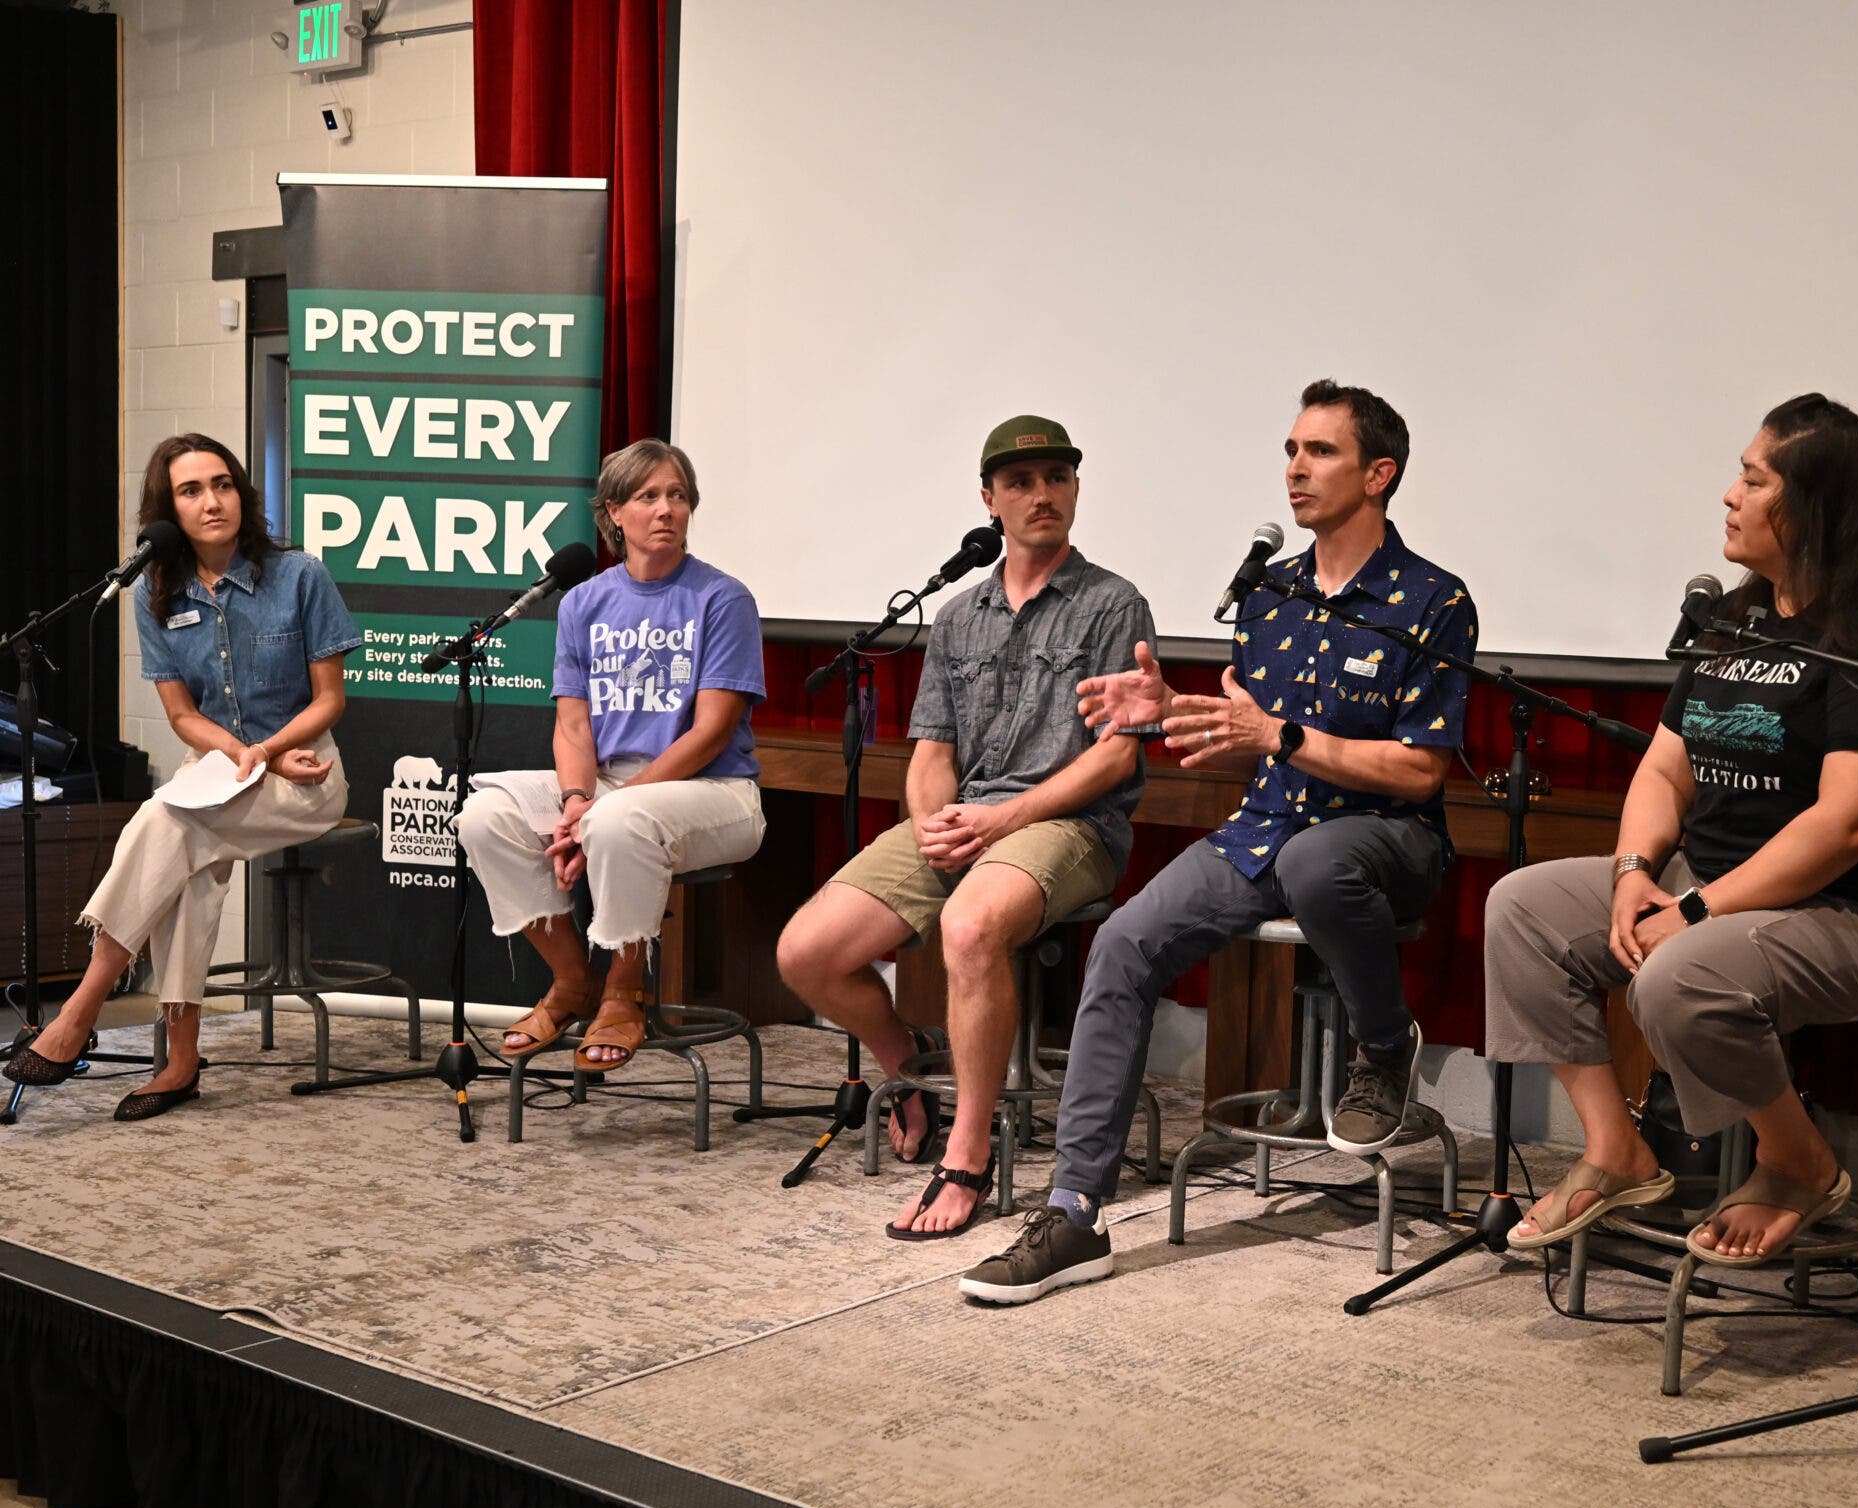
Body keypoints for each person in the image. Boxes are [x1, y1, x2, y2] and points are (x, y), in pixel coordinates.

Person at [959, 379, 1477, 1304]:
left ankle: (1384, 1045)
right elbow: (1246, 749)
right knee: (1121, 944)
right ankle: (1075, 1211)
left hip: (1385, 842)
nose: (1295, 470)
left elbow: (1419, 774)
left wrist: (1279, 737)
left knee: (1321, 862)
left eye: (1319, 452)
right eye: (1290, 450)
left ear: (1379, 474)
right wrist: (1170, 716)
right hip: (1266, 829)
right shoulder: (1271, 597)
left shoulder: (1432, 600)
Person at [1482, 394, 1858, 1266]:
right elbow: (1663, 767)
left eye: (1754, 478)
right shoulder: (1732, 616)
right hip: (1705, 885)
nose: (1730, 494)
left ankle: (1796, 1158)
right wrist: (1633, 872)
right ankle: (1619, 1149)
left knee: (1679, 976)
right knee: (1521, 909)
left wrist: (1694, 911)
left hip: (1846, 916)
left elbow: (1849, 822)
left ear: (1814, 505)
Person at [775, 416, 1154, 1241]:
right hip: (967, 818)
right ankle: (906, 1066)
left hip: (1068, 825)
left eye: (1056, 477)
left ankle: (970, 1151)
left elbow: (1115, 760)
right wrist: (933, 823)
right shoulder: (957, 616)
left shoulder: (1111, 603)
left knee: (971, 924)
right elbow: (930, 752)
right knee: (805, 952)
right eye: (1020, 482)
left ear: (1077, 491)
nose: (1041, 494)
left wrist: (1002, 819)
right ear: (989, 500)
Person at [2, 434, 361, 1119]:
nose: (211, 500)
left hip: (308, 769)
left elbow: (330, 701)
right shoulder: (157, 592)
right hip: (220, 766)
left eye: (222, 484)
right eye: (190, 491)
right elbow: (180, 714)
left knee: (165, 824)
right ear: (167, 510)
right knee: (184, 860)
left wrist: (273, 750)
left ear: (242, 494)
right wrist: (241, 751)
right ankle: (180, 1061)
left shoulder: (299, 576)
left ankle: (81, 1008)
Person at [455, 439, 767, 1070]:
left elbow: (709, 732)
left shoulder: (723, 598)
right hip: (603, 786)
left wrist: (600, 811)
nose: (666, 510)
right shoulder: (583, 602)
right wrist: (575, 802)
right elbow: (572, 725)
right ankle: (573, 980)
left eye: (677, 496)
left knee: (620, 820)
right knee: (483, 817)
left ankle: (626, 987)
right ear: (614, 513)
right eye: (648, 497)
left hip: (715, 791)